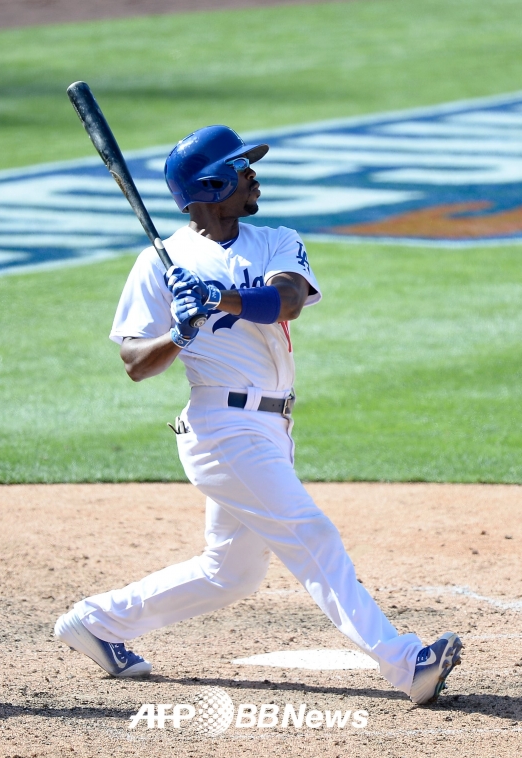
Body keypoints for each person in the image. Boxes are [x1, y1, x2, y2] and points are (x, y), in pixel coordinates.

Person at [55, 125, 462, 705]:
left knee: (231, 574)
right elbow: (136, 363)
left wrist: (217, 298)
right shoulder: (157, 263)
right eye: (241, 169)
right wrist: (180, 332)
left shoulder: (275, 240)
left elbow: (287, 301)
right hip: (221, 428)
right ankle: (405, 663)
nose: (254, 176)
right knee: (311, 533)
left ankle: (97, 622)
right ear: (212, 184)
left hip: (272, 427)